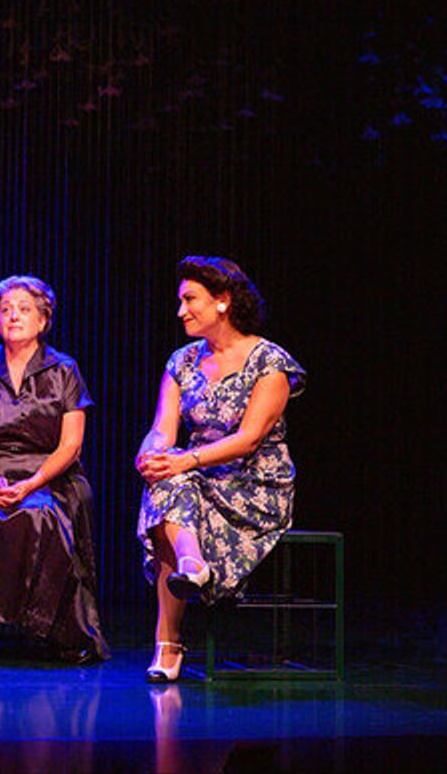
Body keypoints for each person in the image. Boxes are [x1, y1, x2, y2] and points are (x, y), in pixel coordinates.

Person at [135, 256, 306, 682]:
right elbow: (163, 428)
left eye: (190, 299)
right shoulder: (182, 361)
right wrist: (152, 453)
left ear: (223, 301)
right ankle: (191, 568)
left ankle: (170, 641)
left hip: (254, 485)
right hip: (194, 480)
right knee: (165, 485)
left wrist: (183, 459)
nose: (181, 311)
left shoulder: (271, 363)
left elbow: (249, 439)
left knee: (171, 493)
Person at [0, 275, 110, 662]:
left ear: (43, 320)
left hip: (50, 473)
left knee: (42, 514)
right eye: (5, 310)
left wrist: (33, 483)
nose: (13, 316)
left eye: (24, 309)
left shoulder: (64, 370)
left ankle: (57, 632)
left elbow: (71, 445)